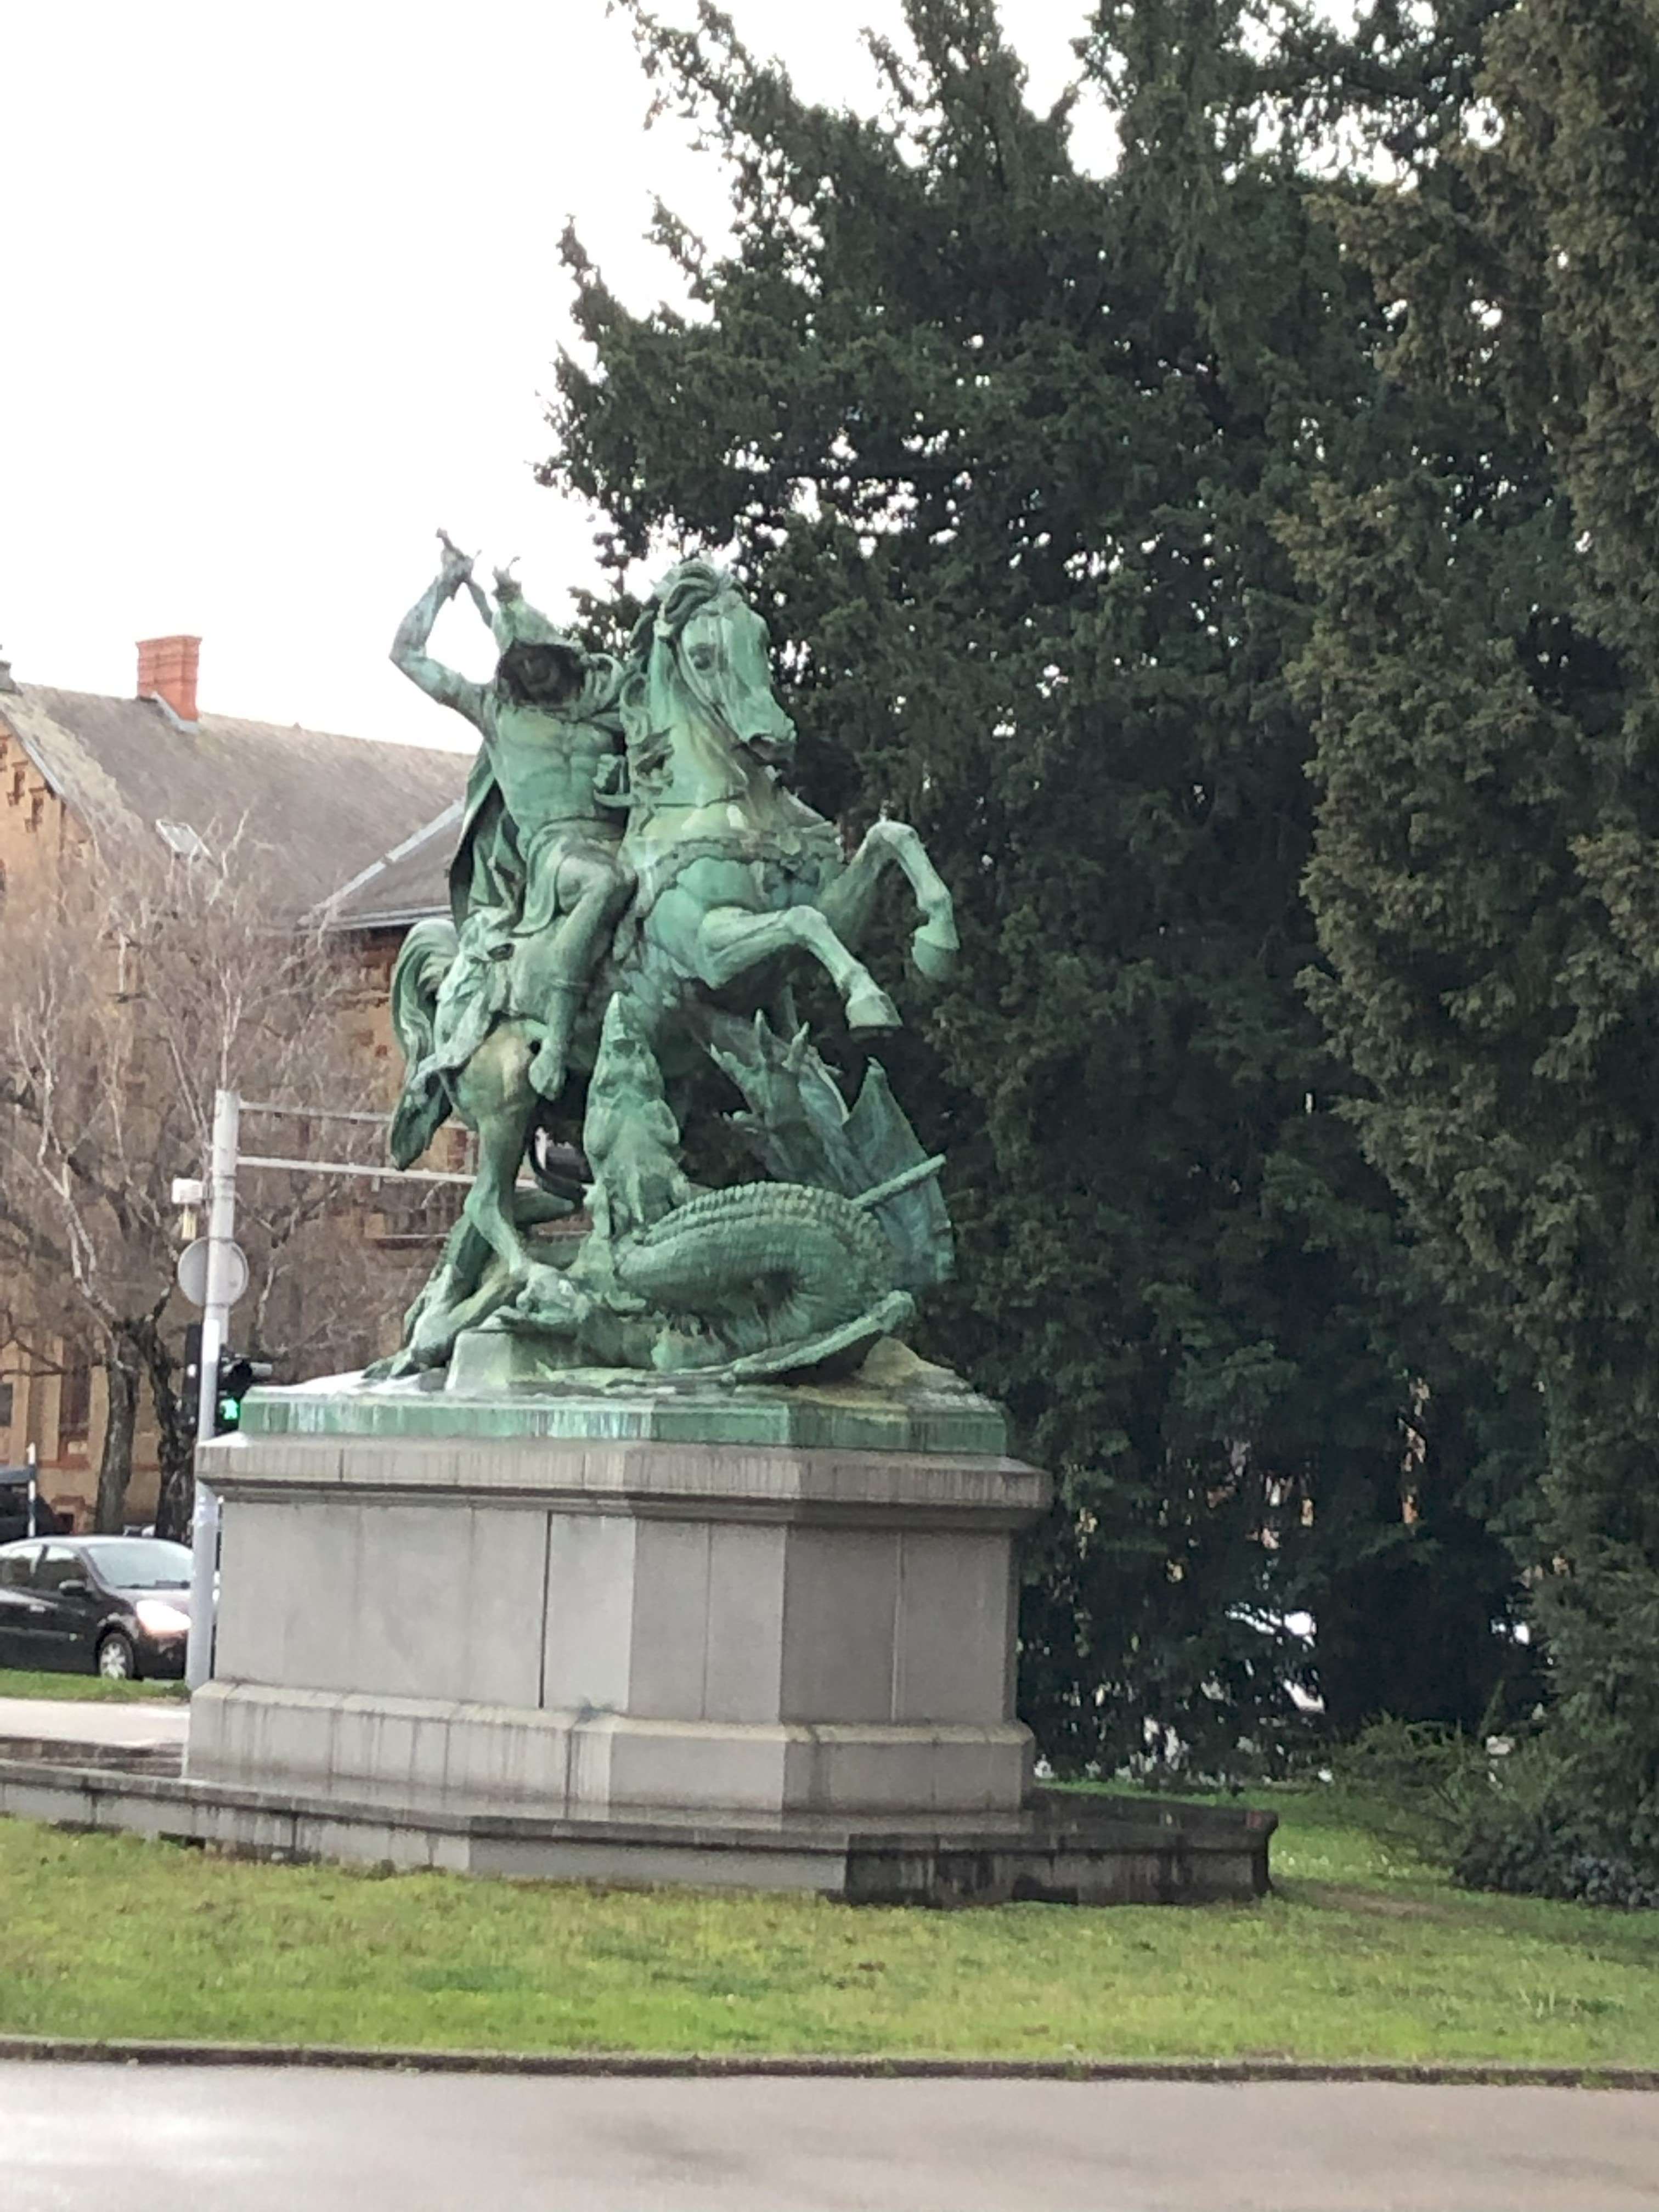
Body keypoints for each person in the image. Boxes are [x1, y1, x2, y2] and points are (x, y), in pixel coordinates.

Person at [390, 533, 633, 1105]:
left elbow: (655, 758)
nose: (534, 670)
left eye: (540, 657)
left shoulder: (604, 706)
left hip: (621, 837)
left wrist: (626, 781)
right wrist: (447, 582)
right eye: (520, 661)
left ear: (559, 653)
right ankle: (557, 1034)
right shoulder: (493, 711)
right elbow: (406, 655)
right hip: (557, 857)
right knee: (608, 883)